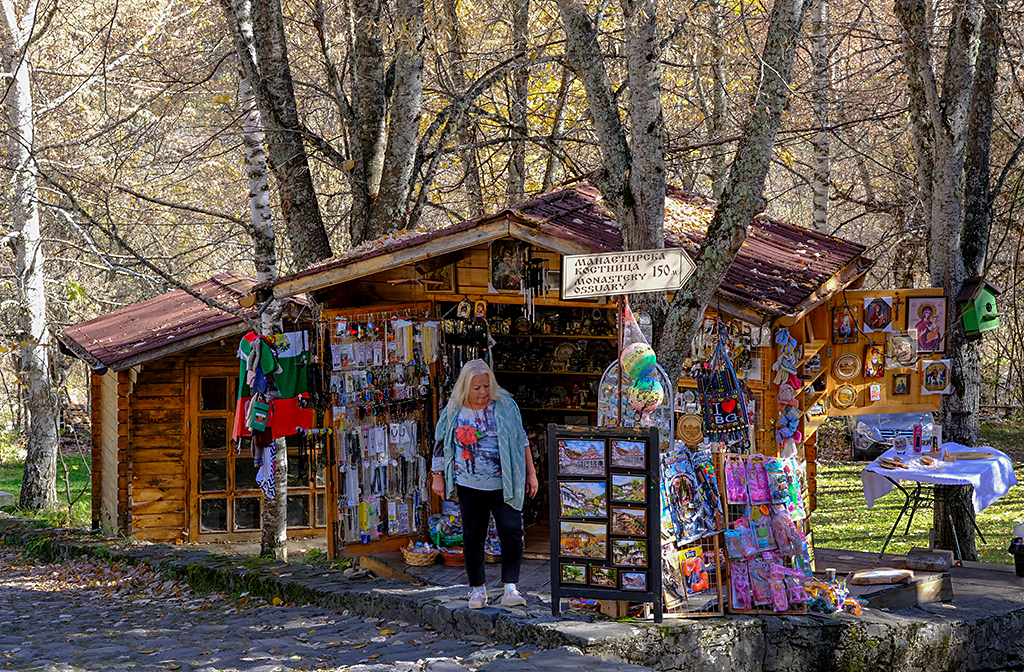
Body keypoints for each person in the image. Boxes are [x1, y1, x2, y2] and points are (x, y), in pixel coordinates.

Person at [431, 359, 539, 609]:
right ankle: (477, 589)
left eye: (486, 386)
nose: (482, 392)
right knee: (472, 536)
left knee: (511, 532)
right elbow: (440, 441)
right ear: (465, 388)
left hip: (505, 482)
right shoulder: (454, 409)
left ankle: (510, 588)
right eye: (477, 388)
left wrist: (531, 474)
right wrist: (437, 474)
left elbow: (522, 439)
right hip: (469, 483)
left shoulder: (506, 406)